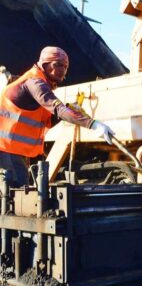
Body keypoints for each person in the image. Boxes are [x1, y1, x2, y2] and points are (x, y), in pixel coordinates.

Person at [0, 46, 114, 187]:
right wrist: (93, 124)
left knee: (16, 192)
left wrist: (69, 110)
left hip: (12, 150)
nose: (62, 70)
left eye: (65, 66)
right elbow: (58, 109)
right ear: (45, 64)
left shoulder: (39, 85)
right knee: (17, 193)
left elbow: (48, 119)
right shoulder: (34, 82)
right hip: (6, 149)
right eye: (58, 64)